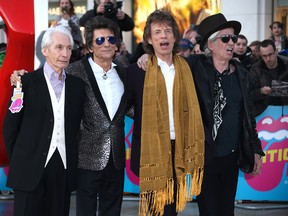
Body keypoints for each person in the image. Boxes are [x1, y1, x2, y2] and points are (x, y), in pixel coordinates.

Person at [137, 13, 264, 216]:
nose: (232, 42)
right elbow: (166, 61)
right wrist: (146, 57)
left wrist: (255, 149)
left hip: (231, 156)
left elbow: (248, 117)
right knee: (209, 210)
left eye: (233, 38)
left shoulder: (243, 75)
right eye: (225, 38)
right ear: (211, 45)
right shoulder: (193, 67)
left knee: (227, 210)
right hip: (204, 158)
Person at [10, 16, 129, 216]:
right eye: (100, 40)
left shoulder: (120, 75)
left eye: (111, 39)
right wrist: (21, 77)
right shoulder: (62, 74)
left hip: (97, 162)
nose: (106, 44)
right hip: (62, 162)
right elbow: (13, 124)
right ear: (90, 46)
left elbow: (132, 107)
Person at [128, 10, 205, 216]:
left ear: (174, 37)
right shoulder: (137, 71)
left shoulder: (188, 68)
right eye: (158, 32)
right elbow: (126, 105)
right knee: (156, 209)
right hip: (152, 150)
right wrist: (147, 117)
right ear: (149, 39)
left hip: (181, 149)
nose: (163, 36)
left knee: (171, 209)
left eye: (168, 31)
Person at [4, 25, 85, 216]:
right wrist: (20, 160)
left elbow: (77, 129)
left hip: (62, 168)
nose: (65, 53)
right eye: (59, 47)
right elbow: (11, 127)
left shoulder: (77, 86)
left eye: (68, 48)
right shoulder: (25, 82)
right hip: (27, 168)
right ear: (45, 51)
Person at [249, 39, 288, 117]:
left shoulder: (286, 65)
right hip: (263, 112)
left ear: (276, 51)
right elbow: (249, 94)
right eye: (264, 56)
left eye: (270, 54)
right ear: (260, 54)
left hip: (285, 109)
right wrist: (261, 91)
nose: (268, 59)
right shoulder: (255, 69)